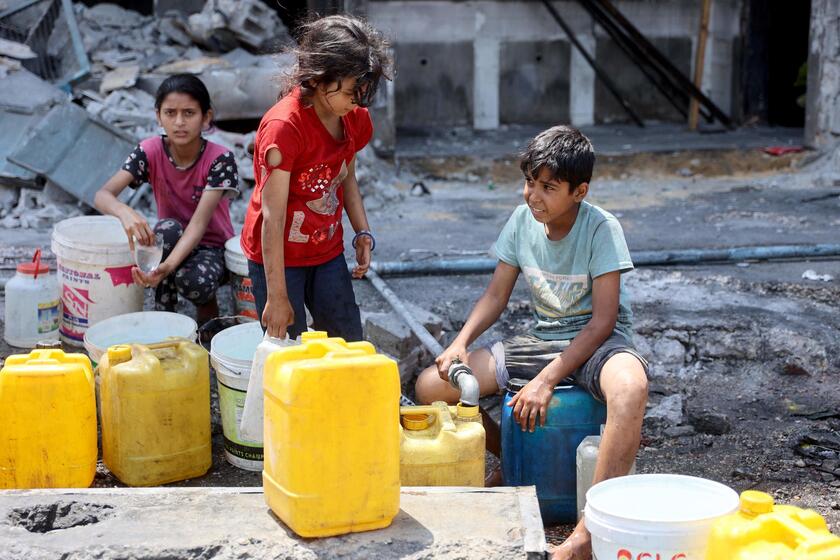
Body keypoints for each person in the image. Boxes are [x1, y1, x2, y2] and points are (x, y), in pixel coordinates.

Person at [414, 126, 649, 560]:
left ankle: (588, 532)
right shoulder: (523, 221)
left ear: (579, 191)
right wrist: (461, 343)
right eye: (529, 182)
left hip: (599, 343)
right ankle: (516, 464)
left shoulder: (602, 228)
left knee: (631, 388)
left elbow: (603, 322)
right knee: (431, 386)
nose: (532, 196)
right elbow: (495, 295)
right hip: (541, 340)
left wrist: (546, 379)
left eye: (547, 187)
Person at [240, 15, 391, 340]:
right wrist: (277, 296)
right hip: (278, 258)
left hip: (326, 251)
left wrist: (362, 230)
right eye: (353, 90)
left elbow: (346, 177)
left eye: (363, 91)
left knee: (346, 340)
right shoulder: (285, 128)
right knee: (287, 349)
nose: (358, 100)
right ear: (320, 77)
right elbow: (273, 216)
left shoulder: (353, 117)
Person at [94, 73, 239, 326]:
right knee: (167, 229)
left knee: (193, 281)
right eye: (170, 113)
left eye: (189, 113)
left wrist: (167, 267)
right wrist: (124, 212)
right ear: (158, 116)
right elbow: (102, 195)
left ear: (206, 117)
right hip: (170, 240)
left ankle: (210, 321)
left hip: (210, 246)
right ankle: (165, 320)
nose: (179, 122)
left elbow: (198, 225)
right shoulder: (149, 151)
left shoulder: (220, 159)